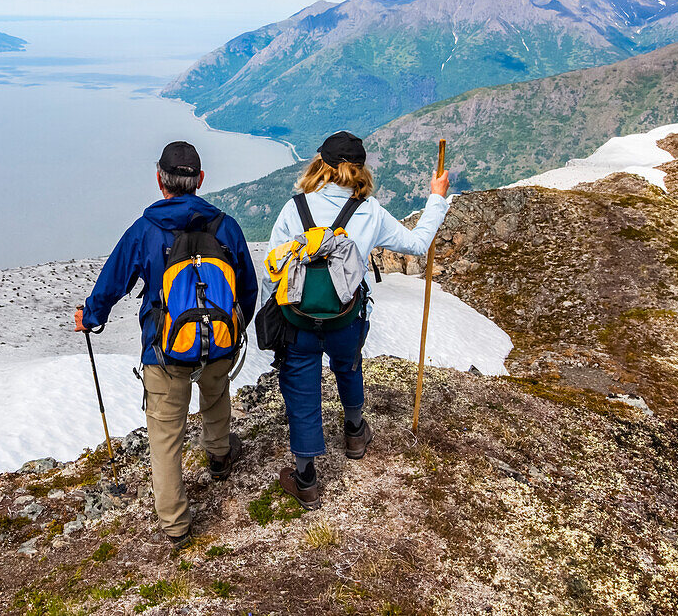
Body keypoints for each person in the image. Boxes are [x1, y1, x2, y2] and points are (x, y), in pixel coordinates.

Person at [74, 141, 258, 549]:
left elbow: (112, 282)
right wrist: (233, 327)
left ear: (160, 180)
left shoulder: (145, 231)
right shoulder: (225, 227)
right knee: (215, 395)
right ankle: (219, 457)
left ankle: (175, 523)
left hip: (164, 350)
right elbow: (247, 286)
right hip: (218, 341)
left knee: (165, 434)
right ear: (200, 181)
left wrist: (90, 317)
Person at [263, 130, 449, 509]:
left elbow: (271, 270)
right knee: (348, 366)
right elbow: (416, 244)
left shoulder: (293, 208)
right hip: (346, 317)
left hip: (297, 321)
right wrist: (436, 199)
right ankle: (354, 433)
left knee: (301, 385)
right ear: (359, 171)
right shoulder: (369, 211)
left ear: (320, 166)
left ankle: (306, 479)